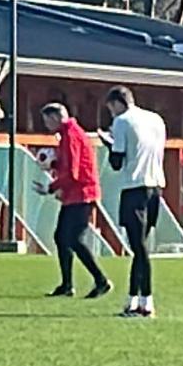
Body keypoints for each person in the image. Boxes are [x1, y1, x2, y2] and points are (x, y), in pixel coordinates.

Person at [101, 86, 166, 318]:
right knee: (140, 247)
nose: (111, 114)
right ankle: (132, 300)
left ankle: (146, 302)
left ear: (117, 103)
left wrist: (108, 142)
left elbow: (117, 162)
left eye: (111, 109)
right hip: (155, 187)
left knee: (139, 248)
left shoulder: (121, 121)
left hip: (134, 188)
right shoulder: (155, 119)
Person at [34, 103, 111, 299]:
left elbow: (73, 172)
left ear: (55, 118)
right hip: (75, 194)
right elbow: (71, 166)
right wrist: (54, 164)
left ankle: (101, 280)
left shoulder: (71, 136)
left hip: (82, 194)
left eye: (47, 120)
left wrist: (51, 187)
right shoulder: (68, 134)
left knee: (73, 239)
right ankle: (67, 285)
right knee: (62, 237)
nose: (46, 125)